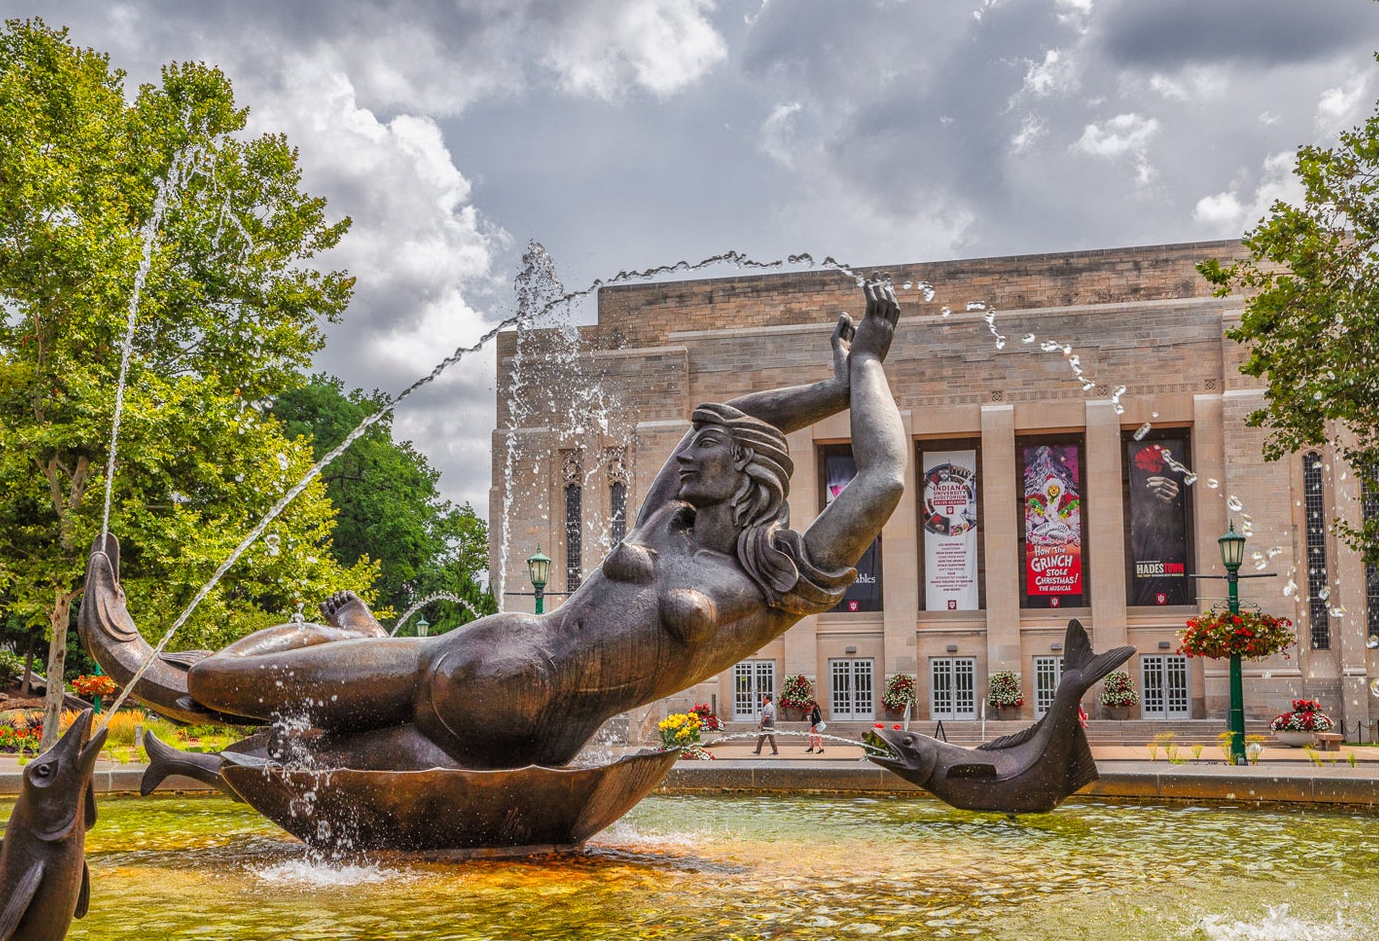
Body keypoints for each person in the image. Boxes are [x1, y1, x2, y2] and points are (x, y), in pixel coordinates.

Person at [82, 281, 907, 772]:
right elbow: (741, 415)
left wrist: (869, 365)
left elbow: (884, 476)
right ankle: (180, 712)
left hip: (507, 677)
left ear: (752, 471)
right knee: (304, 728)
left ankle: (144, 665)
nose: (689, 458)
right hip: (508, 689)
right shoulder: (672, 521)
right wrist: (833, 389)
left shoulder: (778, 580)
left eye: (710, 450)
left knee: (233, 690)